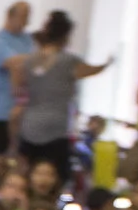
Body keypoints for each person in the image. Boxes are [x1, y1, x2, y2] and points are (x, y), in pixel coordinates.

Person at [6, 10, 104, 181]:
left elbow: (16, 83)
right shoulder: (68, 61)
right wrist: (108, 63)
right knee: (55, 177)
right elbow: (92, 70)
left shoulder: (28, 60)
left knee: (30, 176)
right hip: (56, 129)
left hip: (29, 125)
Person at [0, 0, 33, 157]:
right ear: (10, 16)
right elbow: (11, 62)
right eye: (23, 16)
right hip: (1, 110)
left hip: (24, 111)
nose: (27, 21)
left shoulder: (28, 39)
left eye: (28, 17)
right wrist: (33, 59)